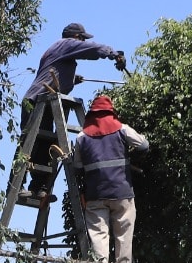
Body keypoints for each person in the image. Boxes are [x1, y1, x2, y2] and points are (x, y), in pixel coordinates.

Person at [21, 23, 125, 196]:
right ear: (76, 37)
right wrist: (113, 54)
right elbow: (89, 49)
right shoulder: (65, 44)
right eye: (82, 38)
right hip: (35, 102)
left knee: (44, 144)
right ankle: (17, 186)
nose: (83, 41)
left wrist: (71, 79)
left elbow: (51, 70)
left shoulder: (58, 50)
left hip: (45, 102)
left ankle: (38, 187)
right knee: (29, 144)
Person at [69, 93, 148, 263]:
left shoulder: (81, 137)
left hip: (95, 194)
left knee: (98, 236)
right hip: (122, 193)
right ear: (110, 110)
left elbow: (77, 166)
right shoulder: (122, 129)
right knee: (123, 235)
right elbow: (144, 146)